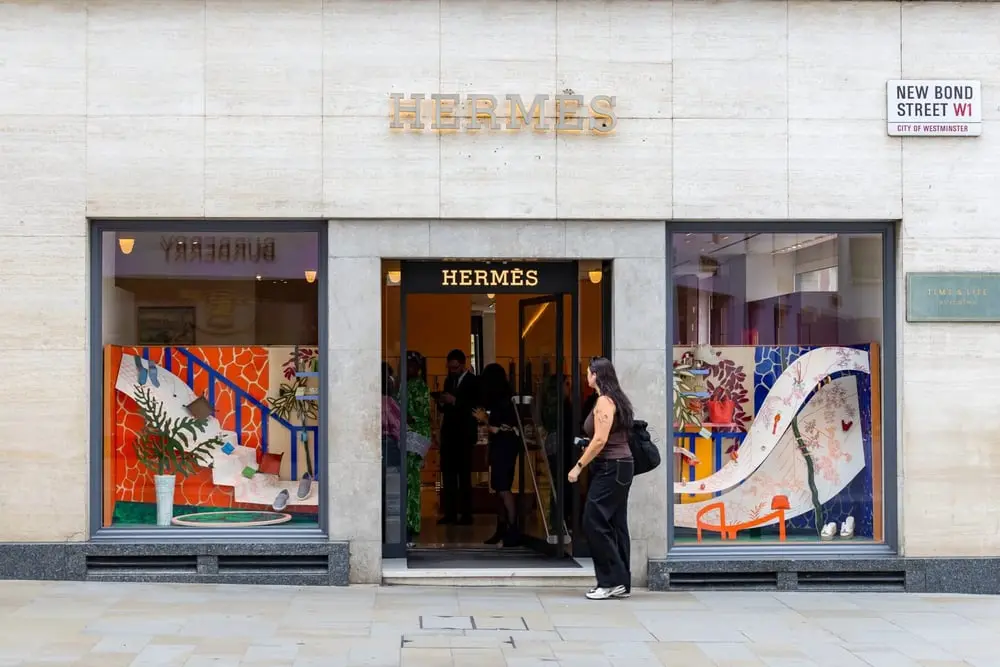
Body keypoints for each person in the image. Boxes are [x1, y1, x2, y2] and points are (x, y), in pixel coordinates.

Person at [568, 357, 635, 600]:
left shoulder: (604, 402)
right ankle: (621, 582)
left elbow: (600, 440)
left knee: (593, 521)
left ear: (595, 375)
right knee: (616, 524)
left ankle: (609, 581)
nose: (586, 376)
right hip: (621, 467)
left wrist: (578, 466)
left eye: (588, 372)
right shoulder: (617, 398)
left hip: (611, 467)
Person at [474, 363, 520, 546]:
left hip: (504, 445)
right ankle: (504, 527)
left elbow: (497, 428)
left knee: (502, 488)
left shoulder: (503, 401)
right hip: (504, 446)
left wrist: (484, 419)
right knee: (500, 488)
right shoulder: (506, 398)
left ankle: (511, 528)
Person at [437, 349, 479, 525]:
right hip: (449, 434)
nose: (452, 370)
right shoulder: (448, 381)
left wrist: (455, 401)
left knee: (464, 476)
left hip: (464, 435)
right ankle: (450, 513)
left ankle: (467, 514)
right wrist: (442, 403)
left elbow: (475, 407)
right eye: (450, 367)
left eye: (455, 367)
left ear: (462, 365)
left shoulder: (473, 382)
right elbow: (446, 410)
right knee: (448, 475)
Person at [403, 352, 431, 545]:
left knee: (409, 482)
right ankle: (412, 523)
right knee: (412, 481)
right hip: (419, 436)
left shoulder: (413, 385)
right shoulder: (420, 385)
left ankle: (409, 524)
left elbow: (408, 414)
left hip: (412, 436)